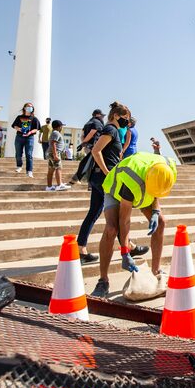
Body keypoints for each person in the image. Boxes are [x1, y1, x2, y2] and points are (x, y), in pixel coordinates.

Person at [91, 152, 178, 298]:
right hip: (115, 189)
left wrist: (156, 210)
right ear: (146, 181)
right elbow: (124, 220)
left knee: (161, 222)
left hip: (145, 188)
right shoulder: (131, 180)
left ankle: (155, 271)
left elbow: (157, 190)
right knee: (112, 229)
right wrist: (125, 251)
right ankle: (103, 280)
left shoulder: (168, 169)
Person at [78, 102, 146, 269]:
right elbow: (96, 151)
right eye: (125, 118)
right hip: (104, 179)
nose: (126, 122)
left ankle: (81, 249)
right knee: (117, 217)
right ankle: (129, 247)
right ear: (116, 116)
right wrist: (108, 172)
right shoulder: (111, 130)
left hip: (98, 178)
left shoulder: (112, 130)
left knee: (94, 212)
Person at [70, 109, 105, 184]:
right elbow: (92, 133)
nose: (103, 117)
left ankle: (77, 178)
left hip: (88, 146)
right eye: (102, 115)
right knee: (90, 164)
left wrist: (84, 143)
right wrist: (84, 143)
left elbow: (82, 135)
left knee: (88, 162)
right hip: (94, 146)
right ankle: (78, 179)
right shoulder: (97, 122)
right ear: (97, 115)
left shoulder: (88, 123)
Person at [11, 102, 41, 178]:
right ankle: (19, 166)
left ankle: (29, 171)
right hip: (19, 137)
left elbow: (36, 129)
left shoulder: (34, 119)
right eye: (28, 106)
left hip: (29, 138)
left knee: (29, 154)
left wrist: (30, 132)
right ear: (24, 108)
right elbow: (14, 126)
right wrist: (19, 129)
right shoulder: (19, 117)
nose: (30, 108)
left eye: (31, 107)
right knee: (18, 153)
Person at [45, 120, 71, 192]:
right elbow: (53, 143)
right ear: (59, 127)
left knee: (51, 169)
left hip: (51, 153)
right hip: (55, 153)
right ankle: (60, 185)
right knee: (58, 168)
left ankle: (49, 187)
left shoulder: (54, 133)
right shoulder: (56, 133)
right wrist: (55, 155)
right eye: (61, 126)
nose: (62, 128)